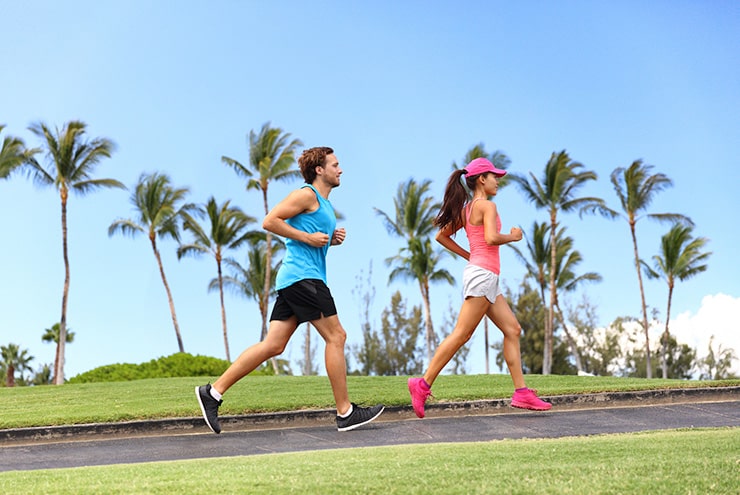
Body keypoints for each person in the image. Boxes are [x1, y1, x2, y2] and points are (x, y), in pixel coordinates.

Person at [196, 146, 384, 433]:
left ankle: (213, 393)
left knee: (274, 345)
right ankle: (345, 412)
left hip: (294, 279)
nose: (340, 169)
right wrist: (308, 237)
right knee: (337, 336)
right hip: (304, 279)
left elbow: (306, 235)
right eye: (335, 164)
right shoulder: (306, 194)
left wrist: (329, 240)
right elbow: (270, 220)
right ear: (319, 169)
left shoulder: (324, 203)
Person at [407, 157, 552, 418]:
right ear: (482, 179)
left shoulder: (467, 209)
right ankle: (422, 384)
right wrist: (514, 236)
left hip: (485, 276)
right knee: (462, 334)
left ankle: (521, 393)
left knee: (512, 329)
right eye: (495, 176)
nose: (498, 181)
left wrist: (469, 256)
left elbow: (442, 236)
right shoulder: (486, 206)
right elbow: (491, 238)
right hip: (483, 276)